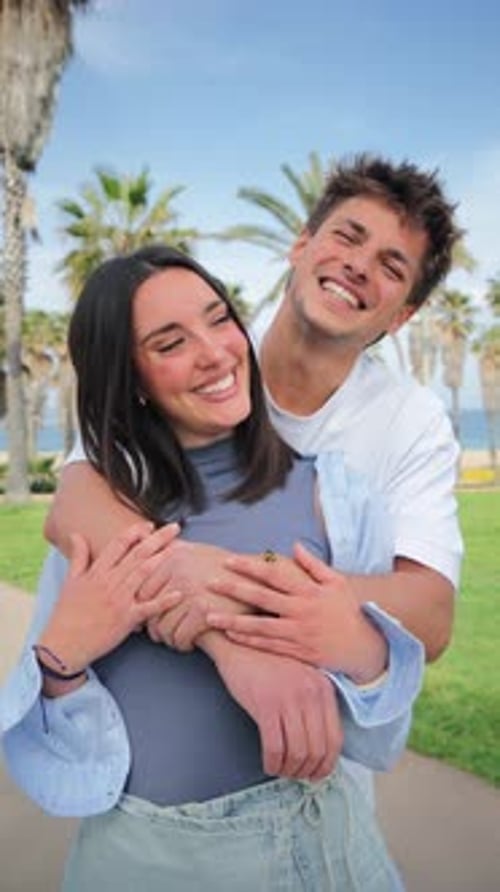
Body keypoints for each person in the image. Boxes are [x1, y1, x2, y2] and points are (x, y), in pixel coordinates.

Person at [0, 245, 424, 891]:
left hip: (335, 852)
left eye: (219, 319)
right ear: (131, 378)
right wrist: (60, 664)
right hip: (155, 864)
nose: (216, 352)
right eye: (170, 343)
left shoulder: (335, 496)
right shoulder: (101, 521)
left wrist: (344, 643)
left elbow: (380, 737)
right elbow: (73, 761)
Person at [43, 154, 462, 806]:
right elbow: (75, 499)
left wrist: (234, 583)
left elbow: (431, 615)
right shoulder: (212, 352)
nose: (360, 264)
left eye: (391, 266)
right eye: (348, 236)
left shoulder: (413, 422)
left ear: (400, 318)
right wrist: (223, 627)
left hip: (318, 776)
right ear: (300, 246)